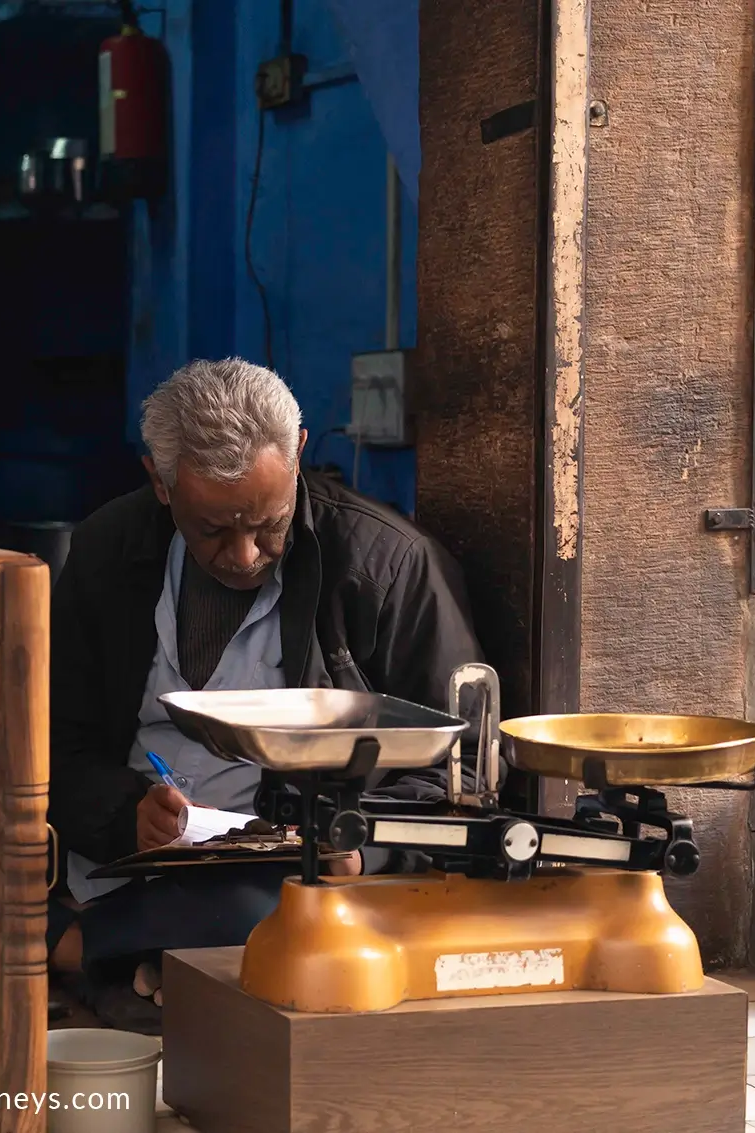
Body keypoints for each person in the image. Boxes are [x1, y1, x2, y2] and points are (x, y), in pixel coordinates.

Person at [46, 358, 483, 1031]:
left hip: (290, 875)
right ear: (159, 484)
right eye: (214, 530)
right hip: (121, 862)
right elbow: (52, 743)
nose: (245, 555)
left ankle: (90, 950)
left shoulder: (387, 567)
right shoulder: (108, 551)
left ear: (300, 450)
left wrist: (364, 846)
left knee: (277, 909)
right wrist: (123, 814)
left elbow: (466, 772)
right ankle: (136, 956)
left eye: (269, 524)